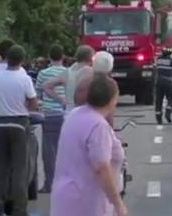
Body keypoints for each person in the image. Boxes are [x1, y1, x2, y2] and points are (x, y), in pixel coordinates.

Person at [51, 74, 128, 216]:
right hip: (87, 201)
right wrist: (118, 204)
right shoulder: (98, 126)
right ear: (111, 99)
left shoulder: (75, 114)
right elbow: (102, 168)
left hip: (65, 196)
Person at [0, 45, 39, 216]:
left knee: (0, 167)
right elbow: (33, 104)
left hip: (2, 123)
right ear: (22, 60)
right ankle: (19, 209)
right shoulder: (24, 78)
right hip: (20, 124)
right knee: (20, 168)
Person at [35, 44, 67, 194]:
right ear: (63, 57)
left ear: (49, 57)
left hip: (48, 116)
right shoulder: (68, 73)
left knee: (49, 152)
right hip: (65, 115)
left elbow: (37, 95)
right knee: (66, 150)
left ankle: (50, 184)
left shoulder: (43, 74)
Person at [43, 45, 94, 112]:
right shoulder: (90, 72)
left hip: (69, 112)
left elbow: (46, 86)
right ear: (90, 58)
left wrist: (61, 101)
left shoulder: (67, 72)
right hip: (85, 112)